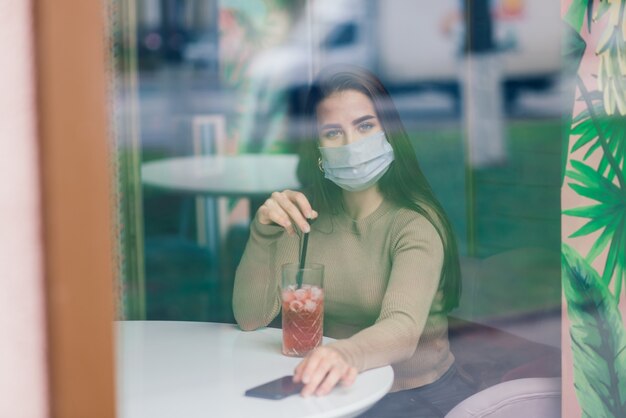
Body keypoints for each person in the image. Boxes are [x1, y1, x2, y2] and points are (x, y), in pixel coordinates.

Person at [233, 66, 475, 417]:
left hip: (414, 396)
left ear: (389, 132)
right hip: (332, 389)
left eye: (365, 126)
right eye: (333, 132)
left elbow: (403, 329)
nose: (351, 144)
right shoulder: (306, 214)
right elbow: (252, 317)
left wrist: (344, 354)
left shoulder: (414, 222)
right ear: (317, 148)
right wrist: (262, 232)